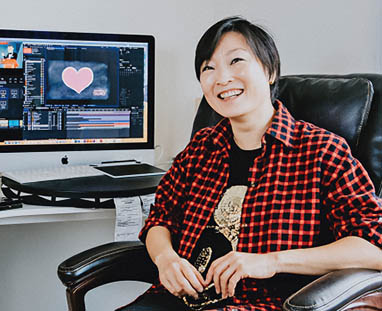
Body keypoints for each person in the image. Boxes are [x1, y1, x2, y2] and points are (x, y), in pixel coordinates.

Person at [118, 16, 382, 311]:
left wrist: (271, 260)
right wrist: (166, 259)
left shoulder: (322, 152)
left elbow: (373, 248)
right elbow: (159, 219)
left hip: (262, 304)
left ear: (269, 71)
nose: (222, 78)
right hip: (175, 300)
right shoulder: (200, 150)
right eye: (208, 68)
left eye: (236, 61)